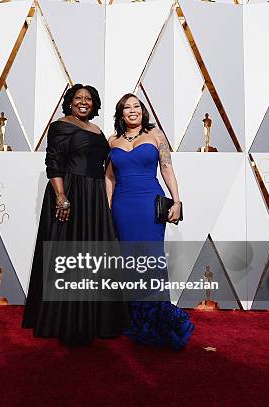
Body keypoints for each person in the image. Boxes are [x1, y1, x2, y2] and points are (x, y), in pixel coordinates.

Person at [22, 84, 129, 345]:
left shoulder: (98, 130)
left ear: (94, 105)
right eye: (78, 98)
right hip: (70, 192)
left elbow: (105, 167)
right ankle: (63, 319)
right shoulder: (60, 126)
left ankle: (95, 319)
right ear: (70, 102)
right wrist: (61, 197)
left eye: (88, 99)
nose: (83, 102)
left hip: (94, 195)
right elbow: (53, 163)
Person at [106, 93, 194, 351]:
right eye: (126, 108)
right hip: (123, 205)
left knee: (150, 258)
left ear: (143, 111)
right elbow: (109, 177)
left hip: (148, 204)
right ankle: (135, 318)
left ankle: (155, 319)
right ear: (120, 114)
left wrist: (176, 201)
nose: (132, 111)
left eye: (136, 106)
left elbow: (167, 168)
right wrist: (108, 206)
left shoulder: (157, 136)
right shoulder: (112, 140)